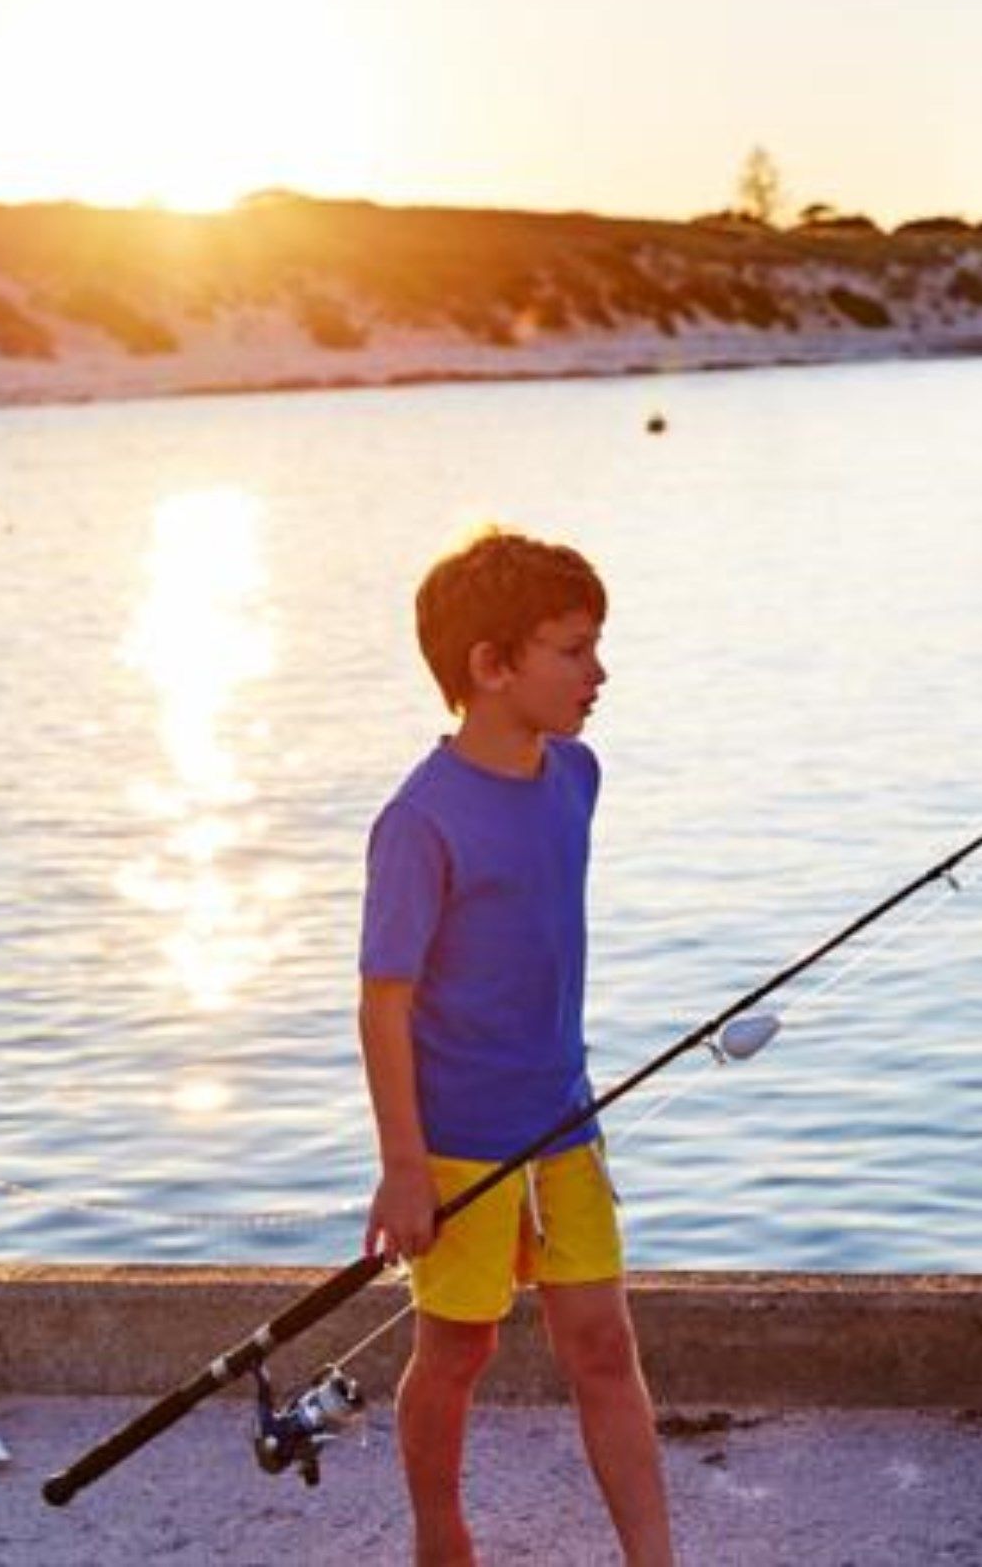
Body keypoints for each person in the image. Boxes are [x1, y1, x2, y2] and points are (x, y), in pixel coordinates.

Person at [357, 529, 673, 1567]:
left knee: (603, 1344)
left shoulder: (577, 776)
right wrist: (404, 1166)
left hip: (566, 1124)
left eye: (595, 647)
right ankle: (441, 1538)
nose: (599, 673)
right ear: (493, 666)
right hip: (458, 1148)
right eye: (573, 650)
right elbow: (383, 1003)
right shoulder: (419, 821)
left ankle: (653, 1556)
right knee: (456, 1349)